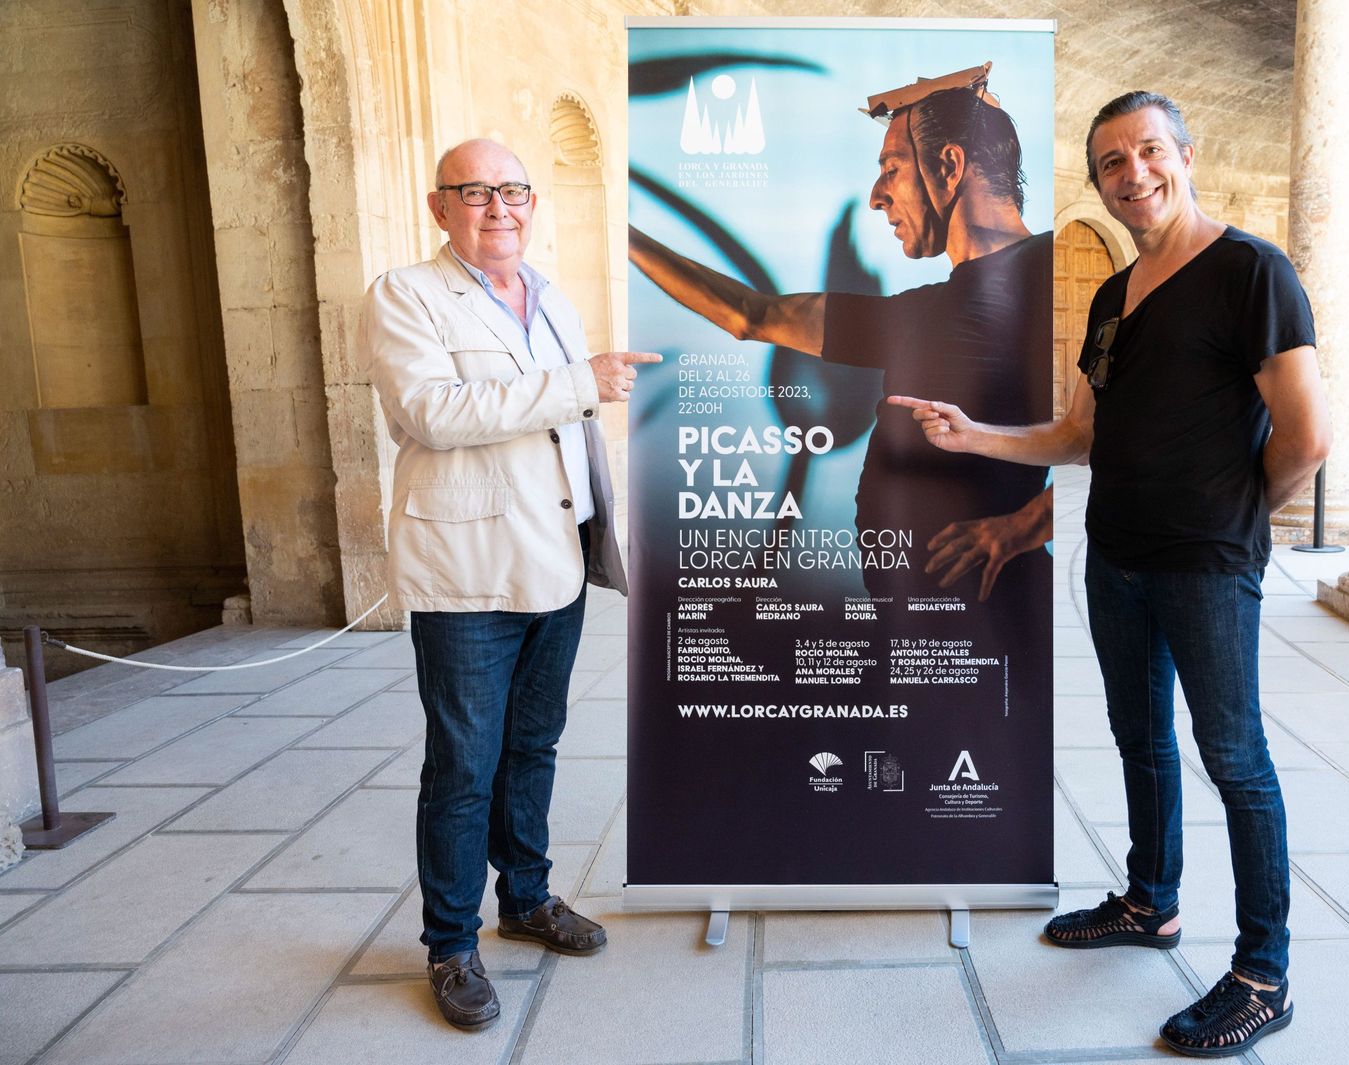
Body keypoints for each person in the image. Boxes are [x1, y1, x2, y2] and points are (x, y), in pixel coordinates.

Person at [890, 92, 1330, 1057]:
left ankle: (1264, 974)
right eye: (1111, 164)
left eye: (1149, 152)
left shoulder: (1253, 272)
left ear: (1185, 153)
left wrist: (1235, 514)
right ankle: (1151, 900)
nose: (1134, 175)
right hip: (1118, 557)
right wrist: (975, 434)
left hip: (1206, 566)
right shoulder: (1113, 296)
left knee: (1236, 760)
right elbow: (1078, 435)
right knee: (1140, 737)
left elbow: (1305, 437)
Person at [358, 138, 660, 1030]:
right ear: (439, 205)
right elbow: (433, 414)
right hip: (469, 577)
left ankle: (525, 897)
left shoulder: (550, 294)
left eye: (515, 191)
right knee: (462, 766)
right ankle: (451, 944)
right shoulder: (407, 294)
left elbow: (572, 429)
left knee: (535, 744)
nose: (500, 206)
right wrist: (578, 381)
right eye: (477, 191)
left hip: (556, 561)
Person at [628, 63, 1054, 610]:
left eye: (891, 168)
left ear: (949, 165)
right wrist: (627, 238)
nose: (877, 196)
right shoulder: (920, 314)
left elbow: (1119, 442)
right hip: (909, 616)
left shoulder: (1051, 270)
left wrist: (1022, 526)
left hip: (994, 614)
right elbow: (750, 315)